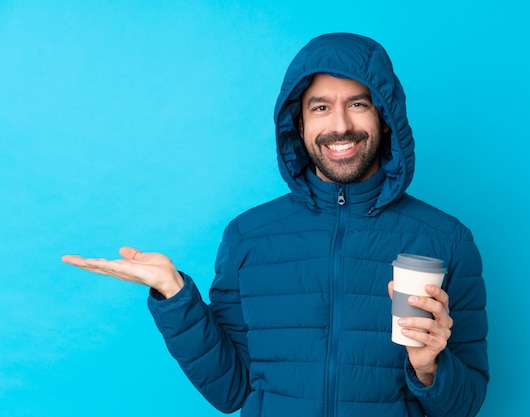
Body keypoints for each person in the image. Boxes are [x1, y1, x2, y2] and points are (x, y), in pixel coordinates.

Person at [62, 33, 488, 417]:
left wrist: (429, 366)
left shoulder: (445, 240)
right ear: (298, 123)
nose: (340, 125)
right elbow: (231, 390)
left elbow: (465, 405)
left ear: (385, 116)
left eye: (358, 104)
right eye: (320, 107)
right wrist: (175, 295)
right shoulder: (249, 237)